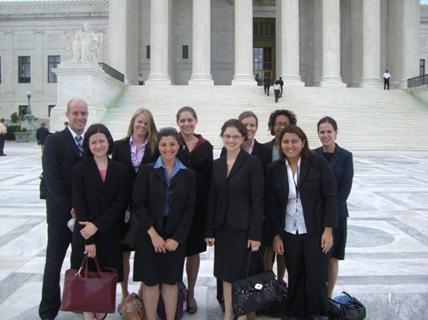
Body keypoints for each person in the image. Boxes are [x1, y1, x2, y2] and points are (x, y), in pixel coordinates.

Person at [268, 125, 338, 319]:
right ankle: (295, 313)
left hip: (315, 231)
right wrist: (276, 235)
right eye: (286, 142)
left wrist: (328, 230)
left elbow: (331, 196)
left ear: (303, 142)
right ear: (280, 144)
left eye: (294, 141)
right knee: (296, 276)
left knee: (316, 277)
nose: (290, 145)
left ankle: (318, 314)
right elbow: (272, 205)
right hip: (290, 231)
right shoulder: (274, 169)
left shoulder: (317, 163)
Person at [132, 127, 196, 320]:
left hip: (175, 233)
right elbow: (138, 204)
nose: (168, 149)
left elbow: (189, 209)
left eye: (172, 144)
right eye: (163, 144)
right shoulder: (147, 171)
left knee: (170, 281)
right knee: (150, 282)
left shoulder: (188, 174)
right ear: (157, 146)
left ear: (179, 145)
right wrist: (154, 235)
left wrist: (176, 238)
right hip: (149, 233)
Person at [206, 119, 264, 320]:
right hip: (223, 228)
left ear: (243, 138)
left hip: (244, 228)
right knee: (226, 274)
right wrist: (209, 230)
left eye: (236, 136)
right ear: (222, 137)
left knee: (243, 274)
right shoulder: (216, 164)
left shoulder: (252, 163)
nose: (231, 140)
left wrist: (256, 234)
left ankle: (242, 314)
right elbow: (212, 198)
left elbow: (258, 200)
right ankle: (228, 313)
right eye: (228, 136)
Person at [71, 123, 130, 320]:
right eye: (93, 142)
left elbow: (120, 203)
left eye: (102, 141)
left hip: (110, 234)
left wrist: (98, 224)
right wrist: (89, 240)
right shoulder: (79, 170)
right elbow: (80, 204)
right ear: (88, 145)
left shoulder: (121, 170)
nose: (98, 145)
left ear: (109, 142)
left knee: (106, 282)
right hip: (85, 235)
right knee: (88, 284)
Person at [39, 98, 88, 320]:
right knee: (54, 262)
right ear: (67, 115)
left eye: (83, 114)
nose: (80, 118)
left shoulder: (90, 142)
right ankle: (49, 309)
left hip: (83, 217)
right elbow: (53, 180)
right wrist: (71, 207)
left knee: (78, 261)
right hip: (60, 215)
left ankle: (76, 300)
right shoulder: (54, 141)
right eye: (76, 113)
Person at [112, 108, 159, 306]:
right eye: (139, 122)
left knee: (145, 250)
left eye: (146, 123)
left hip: (146, 206)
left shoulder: (155, 148)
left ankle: (140, 292)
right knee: (123, 252)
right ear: (132, 122)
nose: (142, 126)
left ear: (150, 127)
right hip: (122, 206)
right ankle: (123, 293)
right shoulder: (118, 146)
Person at [176, 106, 213, 314]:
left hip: (198, 208)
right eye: (182, 120)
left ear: (196, 121)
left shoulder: (205, 146)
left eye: (190, 120)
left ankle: (190, 294)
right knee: (175, 251)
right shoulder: (171, 142)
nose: (186, 124)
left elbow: (209, 179)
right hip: (175, 208)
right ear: (178, 122)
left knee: (193, 252)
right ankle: (174, 293)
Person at [315, 116, 354, 298]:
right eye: (322, 132)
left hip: (337, 216)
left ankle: (328, 296)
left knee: (332, 257)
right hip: (315, 216)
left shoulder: (346, 156)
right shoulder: (313, 155)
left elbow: (344, 189)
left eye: (329, 131)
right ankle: (316, 294)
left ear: (336, 133)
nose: (326, 135)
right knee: (316, 257)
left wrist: (329, 219)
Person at [263, 109, 297, 281]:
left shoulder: (296, 149)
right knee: (268, 247)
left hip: (289, 206)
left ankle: (280, 283)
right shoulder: (263, 150)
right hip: (269, 205)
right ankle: (268, 283)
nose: (281, 127)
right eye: (278, 124)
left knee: (284, 248)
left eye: (285, 124)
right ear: (272, 126)